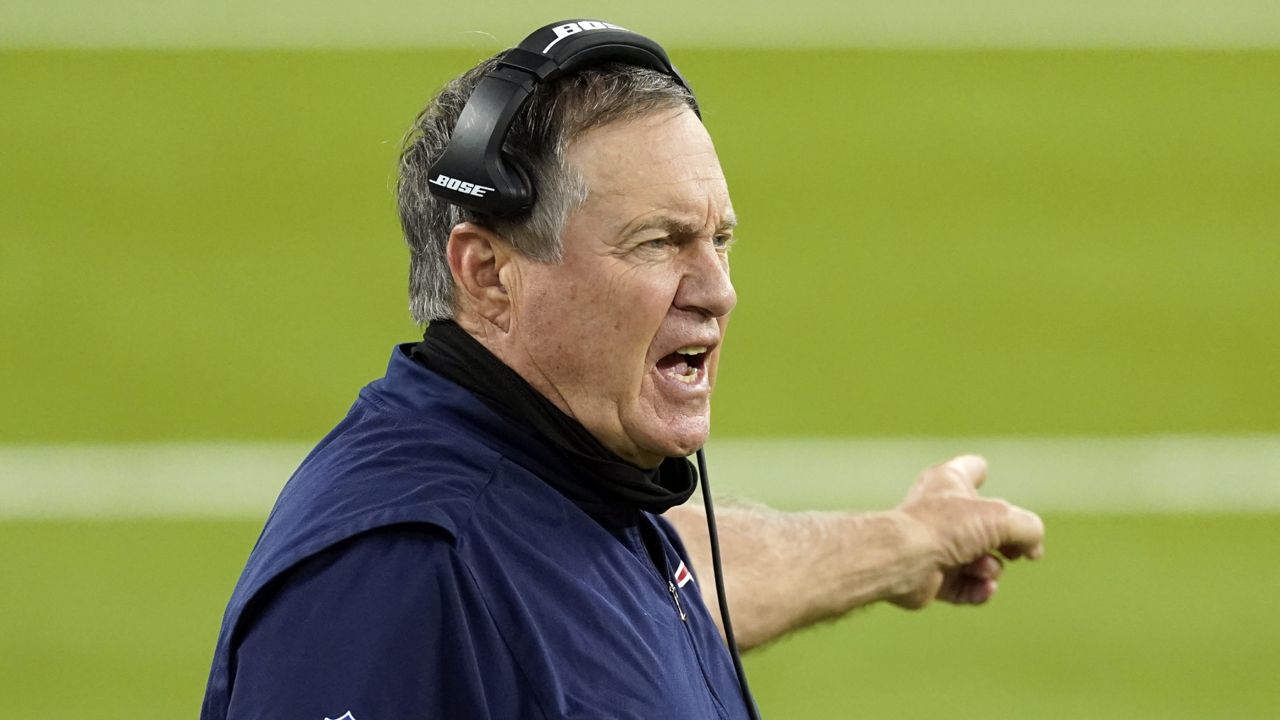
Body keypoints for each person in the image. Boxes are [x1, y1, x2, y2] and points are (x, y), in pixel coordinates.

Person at [201, 20, 1044, 720]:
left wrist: (900, 544)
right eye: (658, 243)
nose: (719, 292)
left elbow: (626, 604)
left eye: (718, 239)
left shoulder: (569, 483)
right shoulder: (397, 574)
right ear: (490, 275)